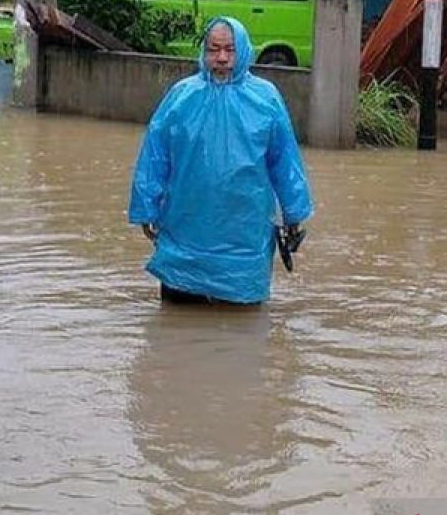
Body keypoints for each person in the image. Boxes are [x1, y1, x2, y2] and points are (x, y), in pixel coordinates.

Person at [128, 16, 313, 305]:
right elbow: (155, 156)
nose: (222, 58)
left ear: (244, 50)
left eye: (230, 49)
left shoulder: (266, 98)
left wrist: (294, 214)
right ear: (204, 52)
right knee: (180, 321)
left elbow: (285, 162)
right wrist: (146, 208)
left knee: (242, 336)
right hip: (185, 238)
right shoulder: (181, 96)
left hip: (244, 242)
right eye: (214, 49)